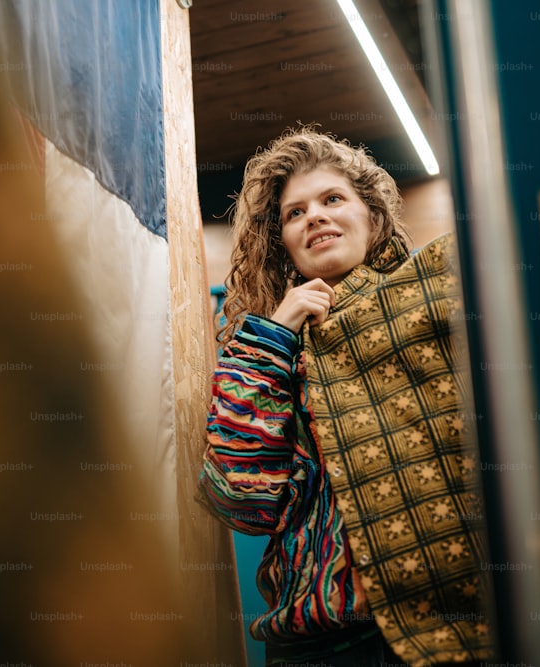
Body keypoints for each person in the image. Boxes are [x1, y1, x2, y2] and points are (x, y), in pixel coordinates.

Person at [198, 127, 496, 666]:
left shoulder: (442, 286)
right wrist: (275, 333)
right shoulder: (270, 350)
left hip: (465, 625)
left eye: (332, 199)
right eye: (295, 213)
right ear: (281, 244)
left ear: (373, 216)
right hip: (325, 640)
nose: (314, 216)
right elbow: (239, 496)